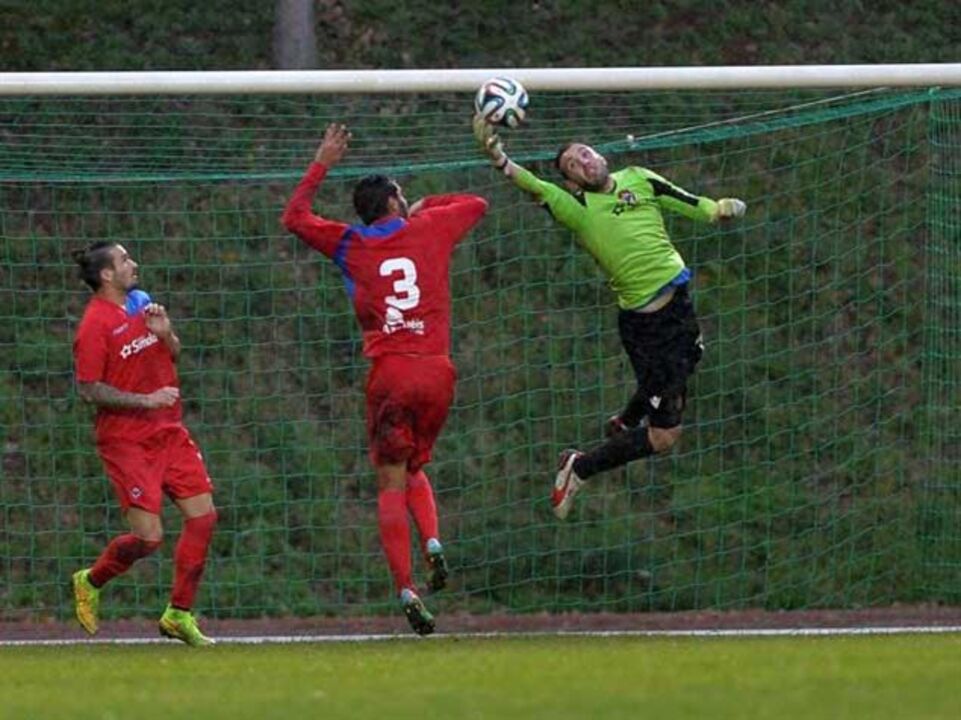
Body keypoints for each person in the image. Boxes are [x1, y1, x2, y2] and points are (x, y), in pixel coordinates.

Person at [473, 116, 747, 521]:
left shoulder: (638, 177)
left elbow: (688, 202)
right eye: (572, 165)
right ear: (572, 183)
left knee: (693, 356)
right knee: (664, 437)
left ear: (599, 154)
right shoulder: (577, 208)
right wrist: (497, 155)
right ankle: (579, 467)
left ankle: (626, 418)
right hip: (648, 329)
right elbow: (532, 184)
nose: (582, 161)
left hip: (680, 305)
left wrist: (718, 210)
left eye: (584, 152)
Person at [281, 123, 488, 635]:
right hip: (437, 371)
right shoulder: (430, 228)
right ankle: (434, 541)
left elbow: (294, 217)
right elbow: (477, 202)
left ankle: (407, 589)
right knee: (415, 465)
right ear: (396, 200)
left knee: (391, 481)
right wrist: (425, 208)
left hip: (391, 374)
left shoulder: (351, 244)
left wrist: (322, 160)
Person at [71, 241, 217, 646]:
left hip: (169, 431)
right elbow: (87, 389)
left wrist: (166, 333)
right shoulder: (94, 325)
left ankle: (178, 613)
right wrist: (144, 400)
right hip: (126, 441)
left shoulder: (142, 304)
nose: (133, 265)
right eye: (124, 261)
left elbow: (175, 353)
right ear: (106, 275)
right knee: (149, 539)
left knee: (203, 518)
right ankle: (90, 579)